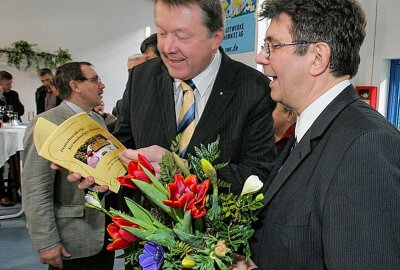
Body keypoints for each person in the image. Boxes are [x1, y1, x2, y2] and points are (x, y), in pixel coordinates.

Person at [250, 0, 400, 269]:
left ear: (317, 58)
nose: (261, 57)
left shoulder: (364, 148)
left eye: (272, 46)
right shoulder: (312, 130)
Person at [22, 62, 115, 270]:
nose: (102, 86)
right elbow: (36, 188)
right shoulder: (45, 123)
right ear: (75, 85)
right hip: (72, 236)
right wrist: (46, 242)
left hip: (104, 234)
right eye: (95, 80)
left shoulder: (96, 120)